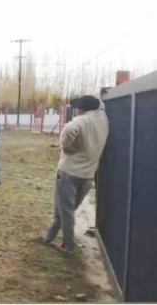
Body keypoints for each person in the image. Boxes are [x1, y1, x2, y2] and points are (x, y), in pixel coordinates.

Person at [40, 95, 108, 255]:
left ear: (81, 108)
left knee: (65, 211)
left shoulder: (79, 122)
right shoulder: (103, 120)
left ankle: (67, 246)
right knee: (63, 210)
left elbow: (68, 132)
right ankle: (48, 236)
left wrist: (68, 149)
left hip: (69, 173)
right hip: (88, 175)